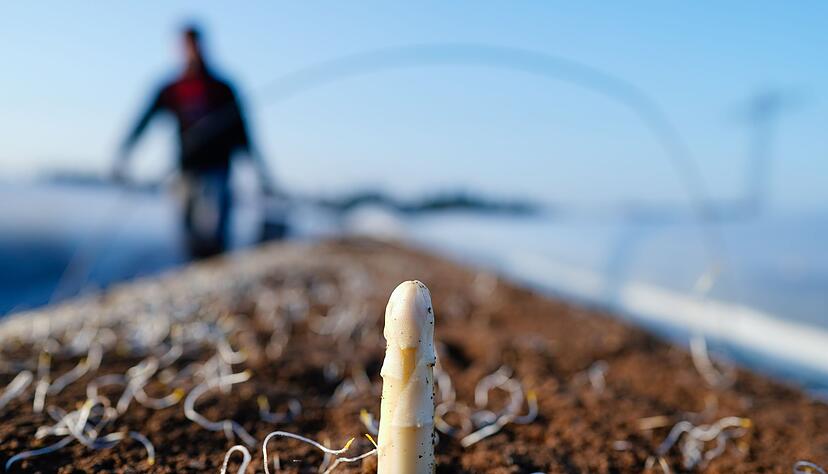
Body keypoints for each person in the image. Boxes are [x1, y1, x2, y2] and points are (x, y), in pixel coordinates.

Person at [115, 25, 274, 257]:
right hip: (186, 169)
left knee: (216, 230)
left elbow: (243, 133)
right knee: (188, 234)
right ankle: (194, 270)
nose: (192, 50)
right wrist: (126, 149)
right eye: (187, 45)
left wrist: (258, 170)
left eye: (195, 44)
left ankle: (218, 270)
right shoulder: (172, 88)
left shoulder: (222, 88)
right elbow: (145, 119)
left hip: (218, 169)